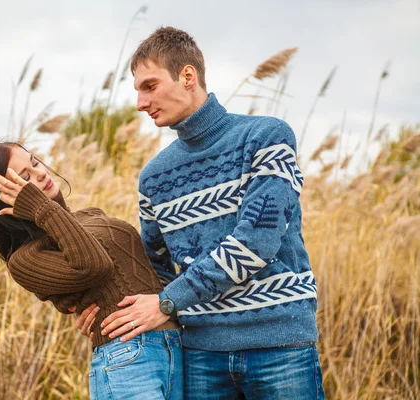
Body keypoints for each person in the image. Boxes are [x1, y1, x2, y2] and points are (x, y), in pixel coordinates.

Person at [80, 26, 324, 399]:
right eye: (138, 91)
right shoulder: (154, 177)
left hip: (279, 347)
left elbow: (256, 242)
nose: (140, 103)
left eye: (149, 86)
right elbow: (155, 269)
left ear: (188, 76)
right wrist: (103, 308)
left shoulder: (266, 137)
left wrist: (168, 302)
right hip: (200, 356)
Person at [0, 142, 183, 400]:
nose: (41, 174)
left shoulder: (91, 215)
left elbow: (145, 269)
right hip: (127, 357)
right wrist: (42, 208)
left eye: (35, 162)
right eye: (25, 179)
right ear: (5, 198)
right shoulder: (25, 259)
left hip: (174, 347)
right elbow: (95, 266)